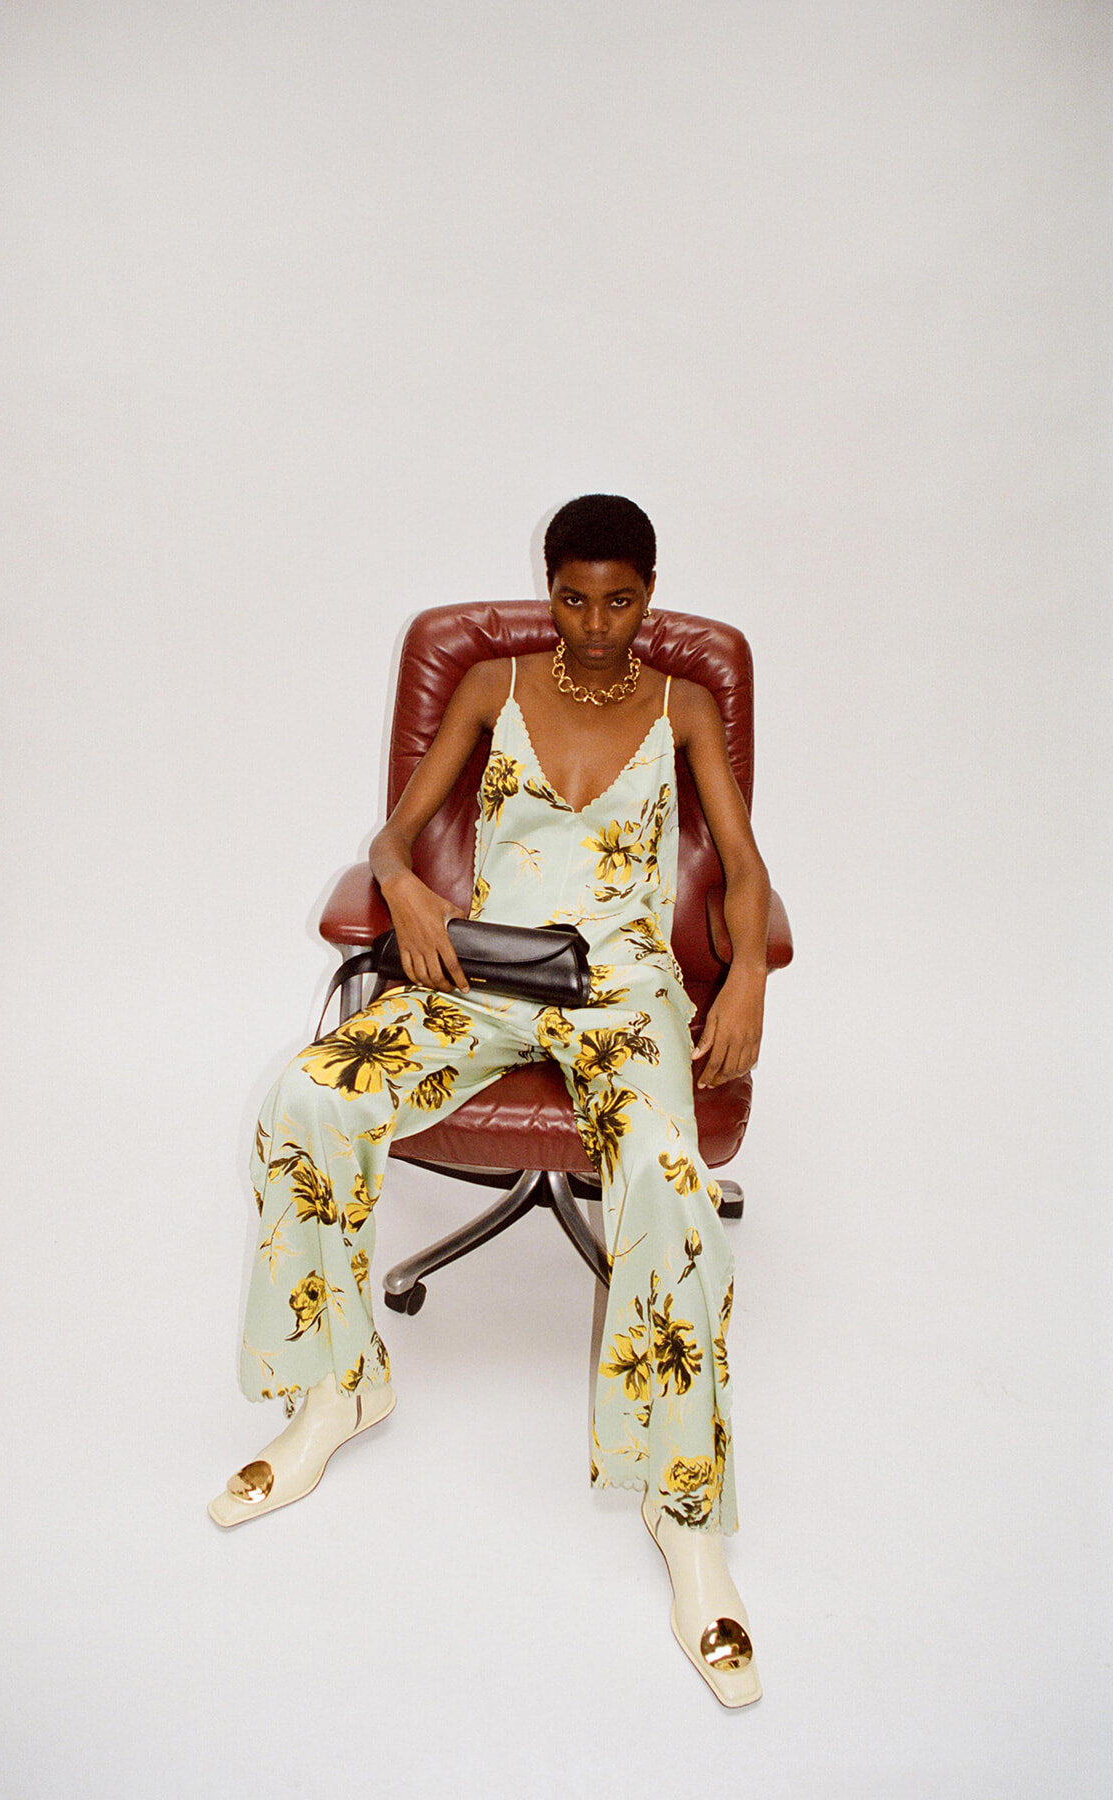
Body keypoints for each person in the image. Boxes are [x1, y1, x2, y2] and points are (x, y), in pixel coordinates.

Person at [208, 494, 772, 1707]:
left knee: (670, 1186)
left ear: (651, 596)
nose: (597, 624)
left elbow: (741, 862)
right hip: (486, 971)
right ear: (548, 588)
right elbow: (396, 838)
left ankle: (686, 1520)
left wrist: (747, 986)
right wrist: (409, 892)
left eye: (621, 601)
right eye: (574, 598)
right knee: (309, 1098)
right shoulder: (490, 682)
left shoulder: (684, 705)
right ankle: (339, 1388)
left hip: (624, 991)